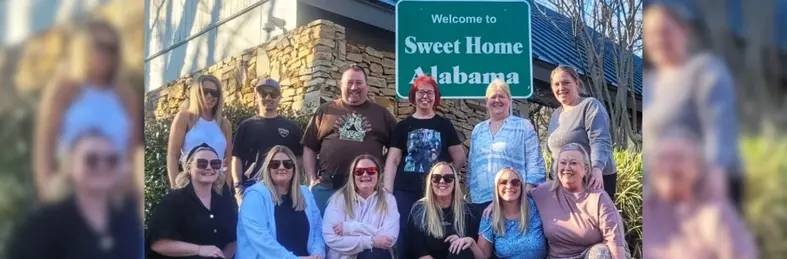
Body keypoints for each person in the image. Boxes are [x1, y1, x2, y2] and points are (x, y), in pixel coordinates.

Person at [642, 2, 743, 208]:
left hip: (707, 185)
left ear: (684, 31)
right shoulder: (650, 82)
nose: (658, 39)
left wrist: (716, 173)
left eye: (665, 31)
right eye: (651, 34)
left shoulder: (705, 71)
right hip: (665, 188)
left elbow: (719, 127)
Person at [34, 19, 141, 201]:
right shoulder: (64, 89)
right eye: (99, 46)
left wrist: (132, 190)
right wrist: (48, 189)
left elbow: (133, 149)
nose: (105, 54)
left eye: (111, 48)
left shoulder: (125, 95)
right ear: (83, 47)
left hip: (115, 191)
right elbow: (45, 144)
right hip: (71, 188)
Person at [8, 130, 142, 259]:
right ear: (70, 165)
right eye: (91, 159)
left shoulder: (127, 221)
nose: (102, 166)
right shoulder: (43, 223)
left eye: (111, 160)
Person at [382, 75, 465, 258]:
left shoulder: (444, 125)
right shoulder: (403, 126)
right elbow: (393, 160)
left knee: (432, 234)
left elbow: (459, 157)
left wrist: (444, 177)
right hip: (405, 190)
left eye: (430, 92)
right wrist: (388, 193)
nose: (425, 96)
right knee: (403, 233)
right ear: (414, 95)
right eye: (421, 92)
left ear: (436, 97)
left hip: (435, 193)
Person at [643, 127, 757, 259]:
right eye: (663, 158)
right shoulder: (645, 210)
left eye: (678, 159)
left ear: (697, 167)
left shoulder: (716, 215)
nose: (669, 168)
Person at [302, 64, 398, 215]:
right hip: (328, 188)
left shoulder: (381, 114)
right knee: (322, 228)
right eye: (349, 83)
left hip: (366, 191)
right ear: (341, 85)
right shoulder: (325, 110)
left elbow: (397, 149)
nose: (354, 87)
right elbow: (309, 147)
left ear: (367, 86)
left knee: (361, 229)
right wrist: (312, 179)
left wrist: (381, 170)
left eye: (359, 83)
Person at [530, 143, 626, 259]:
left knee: (601, 252)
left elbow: (614, 240)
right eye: (563, 163)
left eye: (573, 163)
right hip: (557, 257)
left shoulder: (598, 198)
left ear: (585, 169)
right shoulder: (544, 192)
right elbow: (518, 193)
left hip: (589, 256)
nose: (567, 168)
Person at [469, 79, 546, 216]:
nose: (497, 100)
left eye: (501, 96)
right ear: (487, 101)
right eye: (493, 97)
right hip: (480, 202)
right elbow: (471, 167)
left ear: (509, 100)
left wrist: (524, 196)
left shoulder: (523, 126)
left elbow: (536, 165)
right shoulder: (478, 130)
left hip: (512, 201)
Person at [146, 143, 237, 259]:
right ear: (188, 168)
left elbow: (233, 241)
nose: (209, 168)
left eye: (215, 164)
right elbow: (158, 244)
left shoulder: (225, 203)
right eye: (202, 163)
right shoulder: (173, 202)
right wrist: (199, 249)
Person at [236, 145, 325, 259]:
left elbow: (318, 229)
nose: (282, 167)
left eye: (287, 164)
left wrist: (317, 253)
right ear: (268, 168)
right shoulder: (254, 196)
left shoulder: (305, 193)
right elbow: (261, 240)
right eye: (275, 164)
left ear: (294, 167)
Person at [547, 65, 617, 200]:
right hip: (563, 182)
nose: (561, 88)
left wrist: (597, 168)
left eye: (566, 82)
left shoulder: (590, 105)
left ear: (577, 83)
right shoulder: (555, 115)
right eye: (556, 84)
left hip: (591, 179)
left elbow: (600, 139)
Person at [232, 78, 303, 204]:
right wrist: (238, 187)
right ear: (256, 95)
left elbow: (298, 159)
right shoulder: (246, 126)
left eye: (273, 94)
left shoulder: (291, 127)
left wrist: (295, 185)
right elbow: (237, 158)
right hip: (252, 187)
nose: (268, 97)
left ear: (279, 98)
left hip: (283, 190)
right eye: (264, 93)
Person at [166, 74, 233, 194]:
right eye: (205, 91)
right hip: (190, 184)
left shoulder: (224, 124)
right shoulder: (185, 117)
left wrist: (227, 190)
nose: (210, 96)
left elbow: (228, 161)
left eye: (214, 93)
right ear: (196, 93)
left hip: (217, 186)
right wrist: (176, 189)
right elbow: (172, 155)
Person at [323, 155, 399, 259]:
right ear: (353, 175)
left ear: (378, 174)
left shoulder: (388, 199)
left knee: (375, 254)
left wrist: (351, 228)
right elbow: (331, 238)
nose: (365, 175)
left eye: (371, 171)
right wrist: (371, 241)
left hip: (374, 256)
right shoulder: (338, 199)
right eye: (359, 171)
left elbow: (389, 239)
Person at [406, 162, 484, 259]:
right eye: (436, 178)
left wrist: (468, 242)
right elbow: (418, 251)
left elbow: (481, 256)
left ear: (455, 182)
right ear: (430, 182)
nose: (442, 181)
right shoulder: (419, 209)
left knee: (462, 249)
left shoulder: (469, 211)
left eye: (448, 178)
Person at [477, 168, 547, 259]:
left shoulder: (535, 204)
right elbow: (484, 255)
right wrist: (471, 243)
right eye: (503, 182)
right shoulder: (490, 215)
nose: (509, 186)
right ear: (496, 187)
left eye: (515, 182)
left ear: (521, 186)